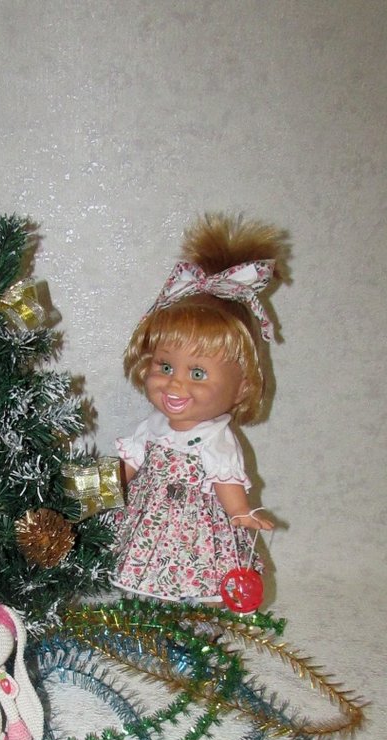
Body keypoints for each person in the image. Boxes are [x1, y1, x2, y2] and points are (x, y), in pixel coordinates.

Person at [114, 213, 286, 603]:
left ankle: (193, 616)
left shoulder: (214, 438)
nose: (175, 384)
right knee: (147, 567)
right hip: (149, 519)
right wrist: (102, 490)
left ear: (241, 388)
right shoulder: (153, 425)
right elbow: (130, 463)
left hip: (196, 529)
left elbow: (226, 480)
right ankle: (151, 610)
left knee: (195, 575)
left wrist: (240, 513)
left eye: (197, 373)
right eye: (165, 367)